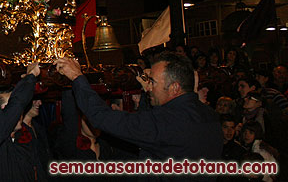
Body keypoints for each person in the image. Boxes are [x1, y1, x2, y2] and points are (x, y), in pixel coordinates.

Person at [54, 52, 223, 164]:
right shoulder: (210, 115)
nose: (149, 87)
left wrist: (77, 77)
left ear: (174, 88)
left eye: (153, 82)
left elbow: (101, 117)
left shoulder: (166, 122)